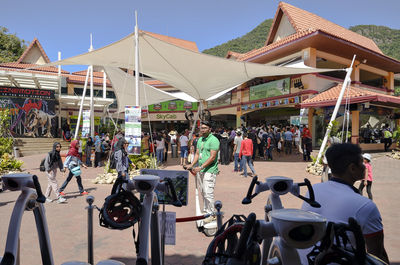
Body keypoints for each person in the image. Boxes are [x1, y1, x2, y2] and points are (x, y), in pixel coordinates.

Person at [301, 143, 389, 264]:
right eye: (361, 163)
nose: (364, 166)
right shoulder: (365, 206)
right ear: (352, 168)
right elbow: (377, 254)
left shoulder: (313, 191)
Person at [187, 121, 220, 222]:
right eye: (201, 128)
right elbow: (197, 154)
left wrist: (201, 167)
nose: (203, 130)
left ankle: (212, 214)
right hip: (201, 170)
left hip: (209, 170)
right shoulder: (200, 139)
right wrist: (191, 165)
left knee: (208, 192)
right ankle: (206, 211)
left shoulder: (214, 140)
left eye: (205, 128)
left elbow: (212, 157)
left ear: (210, 129)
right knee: (203, 192)